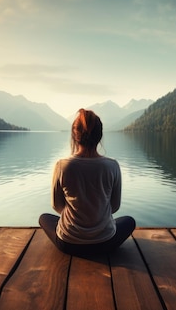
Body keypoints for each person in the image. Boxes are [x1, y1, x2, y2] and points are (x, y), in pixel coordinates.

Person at [39, 109, 136, 256]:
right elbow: (114, 207)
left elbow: (56, 206)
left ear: (74, 136)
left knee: (44, 218)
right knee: (129, 221)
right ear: (99, 136)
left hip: (69, 244)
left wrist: (76, 219)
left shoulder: (62, 166)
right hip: (105, 243)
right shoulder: (112, 166)